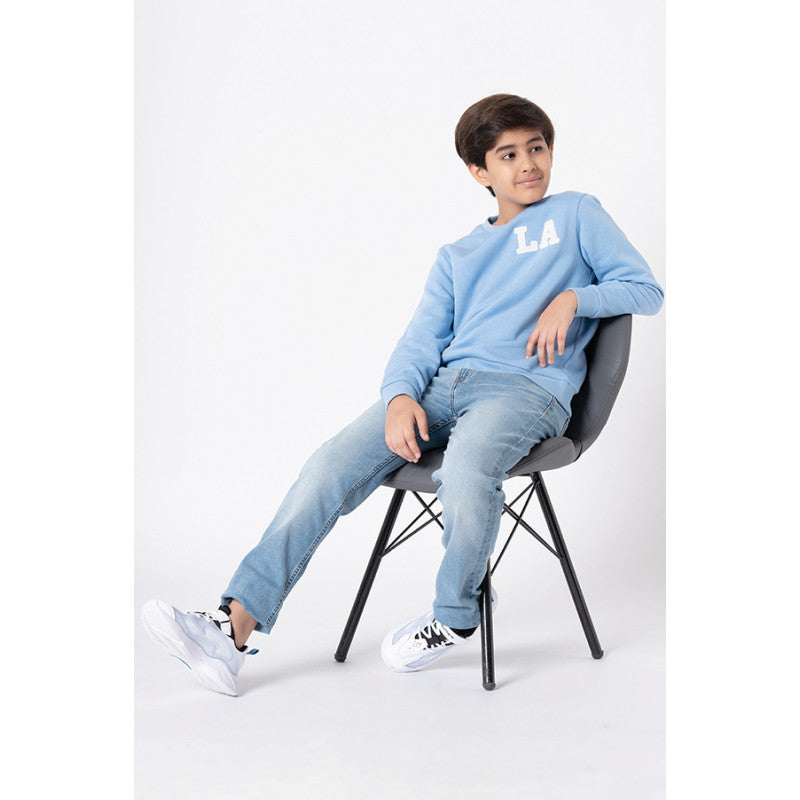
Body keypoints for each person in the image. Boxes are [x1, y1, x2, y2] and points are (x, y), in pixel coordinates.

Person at [141, 93, 664, 696]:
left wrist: (574, 298)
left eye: (537, 148)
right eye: (508, 154)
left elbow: (645, 290)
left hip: (526, 390)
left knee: (466, 468)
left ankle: (456, 613)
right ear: (480, 171)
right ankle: (230, 631)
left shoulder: (575, 214)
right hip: (443, 389)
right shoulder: (457, 255)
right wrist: (399, 398)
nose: (528, 164)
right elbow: (420, 341)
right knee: (328, 466)